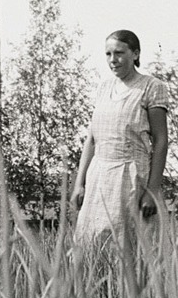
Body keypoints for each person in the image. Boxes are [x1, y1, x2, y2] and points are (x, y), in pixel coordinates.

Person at [70, 29, 169, 244]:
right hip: (98, 177)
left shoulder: (152, 87)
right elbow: (92, 139)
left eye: (119, 53)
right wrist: (80, 183)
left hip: (131, 176)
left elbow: (160, 142)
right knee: (91, 245)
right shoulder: (103, 88)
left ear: (135, 54)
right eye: (108, 54)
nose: (113, 60)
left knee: (128, 245)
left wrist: (152, 191)